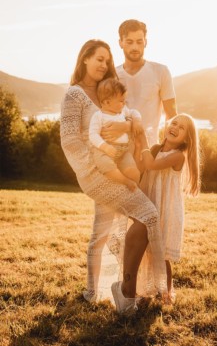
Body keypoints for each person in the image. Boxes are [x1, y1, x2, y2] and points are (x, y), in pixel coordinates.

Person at [60, 39, 167, 314]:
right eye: (98, 58)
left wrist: (127, 124)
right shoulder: (75, 94)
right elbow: (70, 142)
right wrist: (95, 169)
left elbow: (133, 120)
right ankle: (131, 290)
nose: (104, 64)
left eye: (107, 60)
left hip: (118, 167)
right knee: (149, 214)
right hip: (99, 173)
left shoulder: (108, 91)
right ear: (84, 58)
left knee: (102, 231)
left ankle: (92, 291)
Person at [134, 113, 200, 301]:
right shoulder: (154, 148)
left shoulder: (178, 156)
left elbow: (152, 165)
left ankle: (166, 294)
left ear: (187, 139)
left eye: (181, 128)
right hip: (151, 203)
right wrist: (140, 147)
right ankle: (146, 289)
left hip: (166, 210)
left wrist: (143, 140)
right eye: (174, 123)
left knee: (161, 253)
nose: (175, 127)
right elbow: (141, 167)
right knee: (145, 249)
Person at [101, 19, 177, 147]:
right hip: (119, 151)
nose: (135, 47)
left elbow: (172, 115)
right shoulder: (112, 76)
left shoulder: (161, 71)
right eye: (129, 42)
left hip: (151, 149)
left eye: (139, 41)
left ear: (145, 42)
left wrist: (167, 148)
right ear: (120, 43)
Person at [89, 78, 142, 191]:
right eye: (121, 101)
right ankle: (125, 181)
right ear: (106, 102)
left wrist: (136, 121)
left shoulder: (122, 111)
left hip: (123, 151)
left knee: (135, 173)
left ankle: (132, 183)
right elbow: (93, 134)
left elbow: (134, 112)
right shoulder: (99, 116)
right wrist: (105, 147)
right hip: (104, 151)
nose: (124, 103)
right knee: (105, 166)